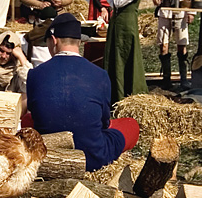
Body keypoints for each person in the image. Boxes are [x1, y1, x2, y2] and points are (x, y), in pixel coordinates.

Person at [26, 13, 139, 172]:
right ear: (79, 42)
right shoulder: (100, 74)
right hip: (92, 158)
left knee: (27, 120)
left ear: (54, 40)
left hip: (47, 154)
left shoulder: (35, 74)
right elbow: (104, 122)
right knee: (131, 125)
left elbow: (36, 114)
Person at [104, 0, 152, 103]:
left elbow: (118, 1)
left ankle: (129, 93)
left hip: (126, 25)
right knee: (115, 58)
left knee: (126, 57)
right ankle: (115, 94)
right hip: (116, 24)